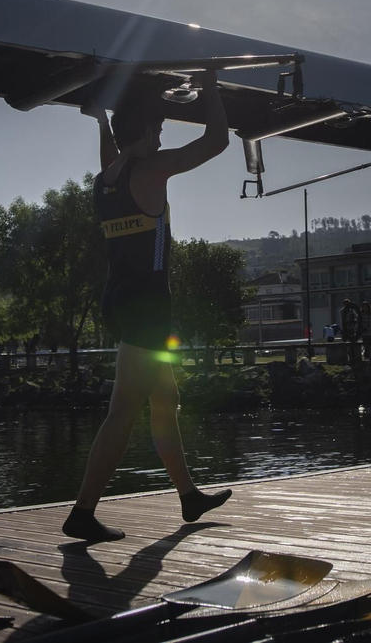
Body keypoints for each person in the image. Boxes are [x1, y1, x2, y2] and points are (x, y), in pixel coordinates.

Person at [64, 76, 233, 542]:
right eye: (157, 130)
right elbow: (217, 140)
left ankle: (188, 497)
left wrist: (102, 123)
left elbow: (111, 155)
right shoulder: (152, 171)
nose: (161, 138)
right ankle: (82, 513)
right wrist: (211, 85)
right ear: (143, 135)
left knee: (167, 400)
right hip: (147, 309)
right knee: (122, 412)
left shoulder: (106, 180)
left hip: (121, 301)